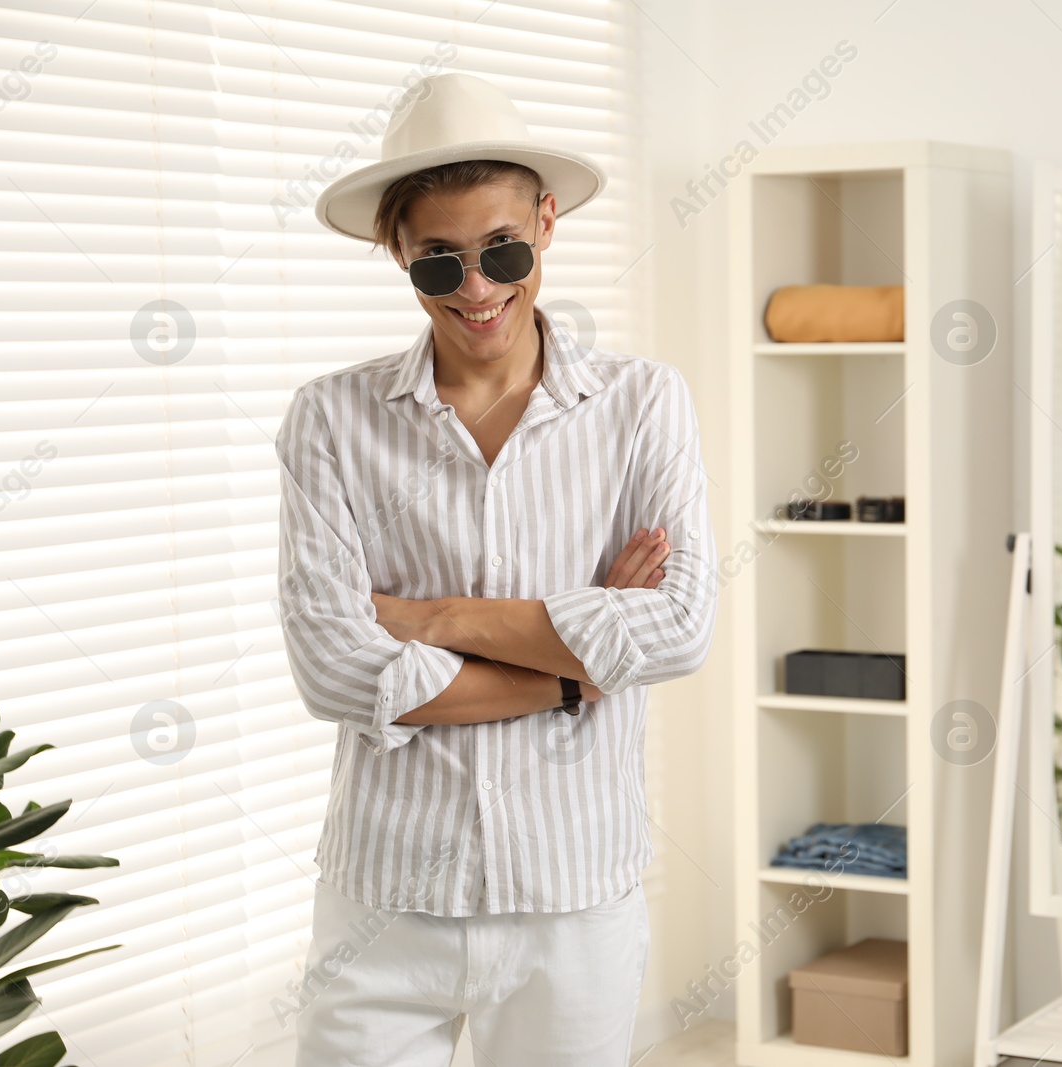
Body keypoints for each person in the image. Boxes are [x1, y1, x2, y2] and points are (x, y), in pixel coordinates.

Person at [273, 71, 717, 1066]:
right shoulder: (333, 420)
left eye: (502, 249)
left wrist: (427, 617)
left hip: (574, 900)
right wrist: (576, 666)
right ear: (399, 250)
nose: (477, 289)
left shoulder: (641, 405)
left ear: (547, 223)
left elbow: (680, 627)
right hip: (383, 903)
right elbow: (333, 667)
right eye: (439, 263)